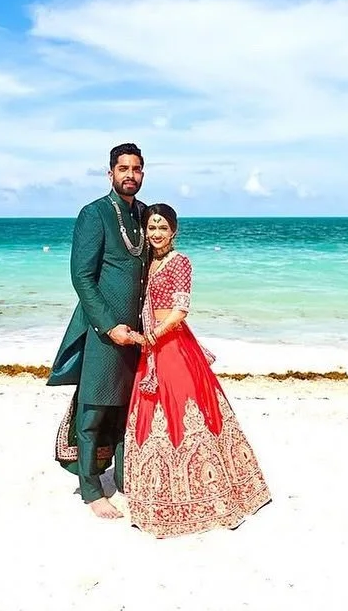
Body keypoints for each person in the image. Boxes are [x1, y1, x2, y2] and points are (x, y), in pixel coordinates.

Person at [123, 203, 271, 538]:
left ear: (174, 230)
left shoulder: (181, 262)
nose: (157, 234)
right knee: (150, 414)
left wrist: (152, 336)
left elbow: (180, 311)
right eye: (151, 228)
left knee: (185, 410)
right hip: (151, 347)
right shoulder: (148, 263)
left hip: (173, 345)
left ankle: (210, 496)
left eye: (163, 228)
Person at [48, 143, 149, 519]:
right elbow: (82, 277)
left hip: (138, 333)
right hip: (103, 329)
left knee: (127, 411)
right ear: (110, 173)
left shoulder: (143, 215)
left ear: (143, 173)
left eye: (136, 169)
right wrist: (109, 326)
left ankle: (124, 481)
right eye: (122, 168)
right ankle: (92, 491)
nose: (129, 175)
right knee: (94, 409)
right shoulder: (94, 214)